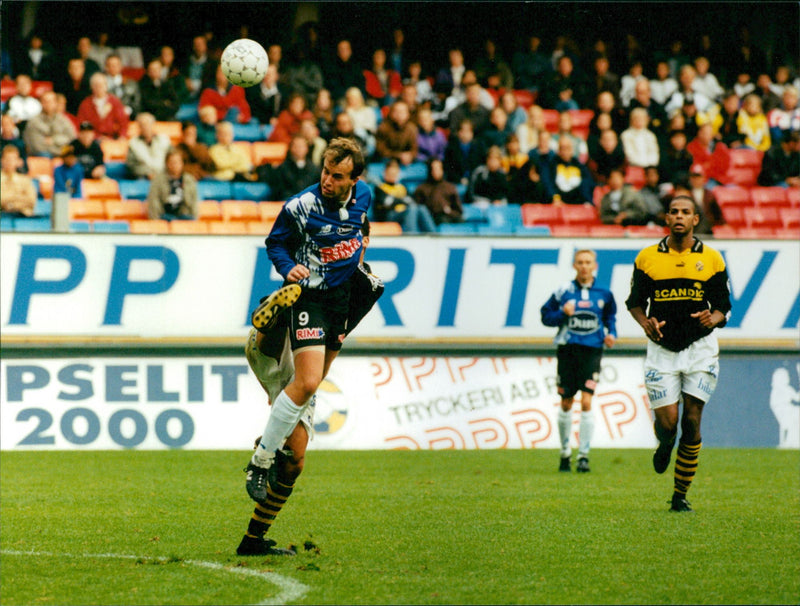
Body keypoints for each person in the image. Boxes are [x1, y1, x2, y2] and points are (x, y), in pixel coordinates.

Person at [238, 138, 375, 555]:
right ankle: (259, 461)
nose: (327, 181)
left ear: (354, 179)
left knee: (296, 460)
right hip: (308, 296)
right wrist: (288, 267)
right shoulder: (301, 205)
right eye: (325, 172)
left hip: (339, 301)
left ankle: (253, 540)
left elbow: (362, 224)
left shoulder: (365, 197)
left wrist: (361, 244)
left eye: (337, 176)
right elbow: (274, 243)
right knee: (308, 378)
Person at [626, 195, 732, 513]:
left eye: (685, 212)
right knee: (669, 423)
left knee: (693, 419)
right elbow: (634, 302)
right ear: (666, 218)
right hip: (662, 349)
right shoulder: (647, 257)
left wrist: (714, 318)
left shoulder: (712, 259)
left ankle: (679, 495)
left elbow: (724, 306)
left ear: (695, 219)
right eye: (674, 212)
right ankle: (664, 443)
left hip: (700, 349)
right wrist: (646, 323)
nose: (679, 217)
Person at [541, 249, 617, 473]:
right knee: (566, 402)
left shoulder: (604, 293)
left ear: (595, 266)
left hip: (592, 351)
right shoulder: (564, 291)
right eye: (580, 262)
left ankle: (583, 455)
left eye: (588, 262)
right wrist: (562, 314)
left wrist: (612, 333)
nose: (584, 266)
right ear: (574, 265)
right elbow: (546, 316)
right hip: (568, 350)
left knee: (586, 401)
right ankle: (565, 453)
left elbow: (610, 316)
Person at [372, 157, 437, 232]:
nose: (393, 176)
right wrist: (402, 200)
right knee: (411, 209)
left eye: (394, 173)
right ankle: (411, 235)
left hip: (404, 211)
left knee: (421, 208)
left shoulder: (402, 187)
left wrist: (395, 199)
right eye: (390, 173)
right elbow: (387, 203)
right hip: (389, 215)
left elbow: (411, 201)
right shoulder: (380, 188)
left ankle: (433, 235)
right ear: (385, 173)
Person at [146, 148, 199, 220]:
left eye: (177, 162)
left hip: (184, 215)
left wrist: (195, 219)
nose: (175, 165)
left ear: (182, 163)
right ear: (167, 163)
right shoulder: (158, 180)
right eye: (172, 162)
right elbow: (154, 202)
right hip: (165, 215)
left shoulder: (189, 180)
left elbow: (194, 202)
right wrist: (156, 221)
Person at [23, 90, 77, 158]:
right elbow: (37, 147)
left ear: (55, 103)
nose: (48, 104)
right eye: (45, 101)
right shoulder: (34, 122)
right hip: (43, 156)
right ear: (41, 103)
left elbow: (72, 138)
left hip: (62, 154)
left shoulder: (63, 120)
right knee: (45, 155)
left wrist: (54, 140)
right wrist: (60, 151)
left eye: (51, 101)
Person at [76, 72, 129, 139]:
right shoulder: (85, 104)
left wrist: (121, 137)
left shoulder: (114, 102)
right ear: (91, 87)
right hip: (94, 140)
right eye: (96, 85)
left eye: (101, 85)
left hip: (113, 139)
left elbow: (123, 123)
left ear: (106, 86)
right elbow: (82, 126)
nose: (99, 88)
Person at [269, 135, 320, 202]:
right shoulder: (282, 168)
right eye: (296, 146)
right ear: (291, 148)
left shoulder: (314, 169)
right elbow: (279, 190)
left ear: (307, 148)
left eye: (301, 146)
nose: (298, 149)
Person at [413, 157, 463, 224]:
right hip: (430, 220)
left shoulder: (450, 188)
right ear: (429, 170)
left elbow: (458, 211)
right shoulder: (421, 189)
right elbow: (418, 211)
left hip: (449, 217)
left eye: (439, 168)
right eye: (434, 169)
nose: (436, 171)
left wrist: (449, 211)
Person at [126, 112, 171, 180]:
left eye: (147, 124)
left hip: (164, 175)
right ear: (139, 127)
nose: (145, 128)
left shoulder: (164, 140)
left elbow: (172, 159)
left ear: (153, 125)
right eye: (142, 125)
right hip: (143, 177)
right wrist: (147, 173)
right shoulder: (133, 143)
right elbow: (131, 165)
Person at [322, 39, 366, 105]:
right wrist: (348, 95)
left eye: (346, 49)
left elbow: (361, 85)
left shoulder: (357, 67)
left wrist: (356, 95)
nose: (344, 51)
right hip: (342, 98)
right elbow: (333, 88)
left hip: (357, 97)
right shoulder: (332, 68)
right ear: (338, 52)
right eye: (341, 49)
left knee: (373, 104)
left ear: (350, 51)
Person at [375, 100, 418, 166]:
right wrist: (399, 155)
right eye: (396, 111)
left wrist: (410, 156)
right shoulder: (383, 128)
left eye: (402, 112)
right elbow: (381, 150)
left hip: (406, 161)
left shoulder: (412, 129)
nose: (399, 115)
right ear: (391, 113)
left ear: (408, 114)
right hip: (387, 160)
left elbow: (414, 149)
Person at [443, 118, 485, 187]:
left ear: (472, 133)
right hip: (457, 181)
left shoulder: (479, 147)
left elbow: (481, 166)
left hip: (475, 181)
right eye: (463, 131)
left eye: (468, 131)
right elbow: (448, 168)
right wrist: (460, 179)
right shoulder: (451, 148)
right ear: (458, 133)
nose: (465, 134)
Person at [685, 164, 725, 234]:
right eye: (694, 177)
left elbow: (717, 214)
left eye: (699, 177)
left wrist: (723, 225)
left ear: (704, 178)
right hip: (692, 229)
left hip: (708, 229)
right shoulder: (686, 195)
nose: (696, 180)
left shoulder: (710, 195)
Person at [245, 64, 285, 128]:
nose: (267, 76)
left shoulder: (283, 91)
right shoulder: (253, 91)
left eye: (270, 74)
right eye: (265, 73)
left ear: (276, 76)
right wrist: (267, 120)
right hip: (258, 123)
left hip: (277, 123)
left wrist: (278, 120)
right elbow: (252, 110)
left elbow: (284, 111)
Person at [0, 145, 37, 217]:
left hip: (23, 216)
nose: (9, 162)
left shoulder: (25, 180)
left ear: (18, 161)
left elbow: (31, 200)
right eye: (7, 159)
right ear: (2, 160)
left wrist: (11, 205)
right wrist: (18, 197)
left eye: (13, 159)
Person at [103, 53, 141, 118]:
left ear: (121, 66)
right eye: (110, 65)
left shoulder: (130, 83)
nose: (113, 67)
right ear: (106, 67)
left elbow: (137, 101)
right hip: (107, 117)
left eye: (116, 65)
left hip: (129, 117)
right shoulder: (100, 83)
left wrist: (129, 110)